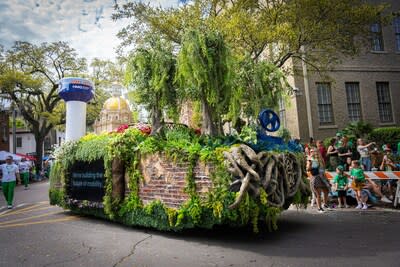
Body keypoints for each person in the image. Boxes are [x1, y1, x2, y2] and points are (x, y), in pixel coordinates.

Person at [306, 148, 330, 213]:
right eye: (312, 152)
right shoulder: (310, 160)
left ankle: (325, 204)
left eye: (315, 151)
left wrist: (325, 176)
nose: (314, 153)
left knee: (326, 190)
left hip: (323, 176)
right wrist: (311, 164)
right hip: (316, 177)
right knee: (318, 194)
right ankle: (319, 208)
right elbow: (308, 169)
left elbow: (324, 168)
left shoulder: (321, 159)